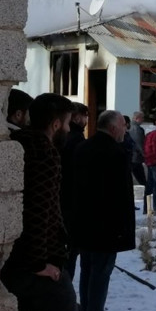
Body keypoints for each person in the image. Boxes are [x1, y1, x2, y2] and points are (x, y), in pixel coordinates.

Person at [0, 93, 86, 311]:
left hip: (12, 267)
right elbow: (38, 213)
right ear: (55, 123)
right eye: (67, 122)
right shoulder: (44, 152)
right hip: (39, 269)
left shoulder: (15, 145)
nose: (68, 128)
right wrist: (41, 264)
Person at [72, 110, 135, 311]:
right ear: (113, 128)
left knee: (87, 269)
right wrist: (124, 229)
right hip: (107, 226)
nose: (125, 130)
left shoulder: (82, 148)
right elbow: (122, 196)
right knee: (100, 273)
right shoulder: (115, 153)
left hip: (84, 223)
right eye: (123, 126)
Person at [60, 102, 88, 279]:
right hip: (71, 203)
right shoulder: (76, 140)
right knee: (69, 254)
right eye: (86, 116)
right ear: (77, 117)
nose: (87, 120)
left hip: (61, 200)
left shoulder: (61, 137)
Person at [128, 111, 147, 187]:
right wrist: (145, 155)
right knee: (142, 179)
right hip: (136, 157)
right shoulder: (137, 129)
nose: (143, 120)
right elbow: (139, 143)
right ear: (137, 118)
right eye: (142, 118)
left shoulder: (129, 127)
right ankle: (147, 196)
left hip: (132, 157)